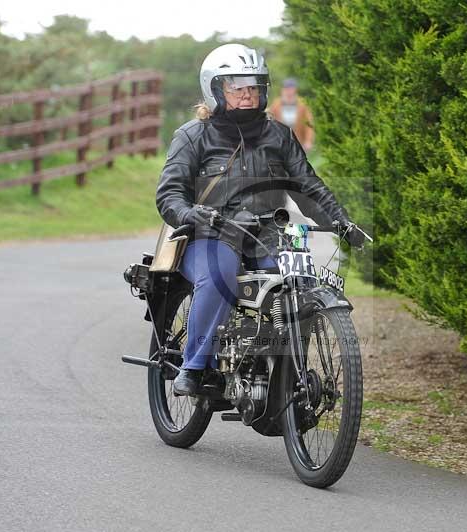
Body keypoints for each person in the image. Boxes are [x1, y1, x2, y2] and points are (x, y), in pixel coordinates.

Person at [155, 43, 365, 396]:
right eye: (237, 87)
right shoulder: (192, 135)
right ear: (216, 89)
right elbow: (169, 194)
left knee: (298, 282)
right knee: (221, 277)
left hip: (266, 235)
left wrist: (340, 220)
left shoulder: (278, 135)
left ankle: (280, 375)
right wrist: (192, 213)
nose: (247, 94)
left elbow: (307, 184)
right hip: (210, 236)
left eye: (253, 86)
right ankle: (193, 366)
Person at [269, 78, 315, 151]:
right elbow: (269, 122)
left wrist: (308, 141)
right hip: (280, 143)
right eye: (286, 89)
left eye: (291, 89)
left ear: (295, 90)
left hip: (298, 142)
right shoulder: (276, 104)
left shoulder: (303, 104)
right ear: (282, 90)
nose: (288, 92)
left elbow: (309, 124)